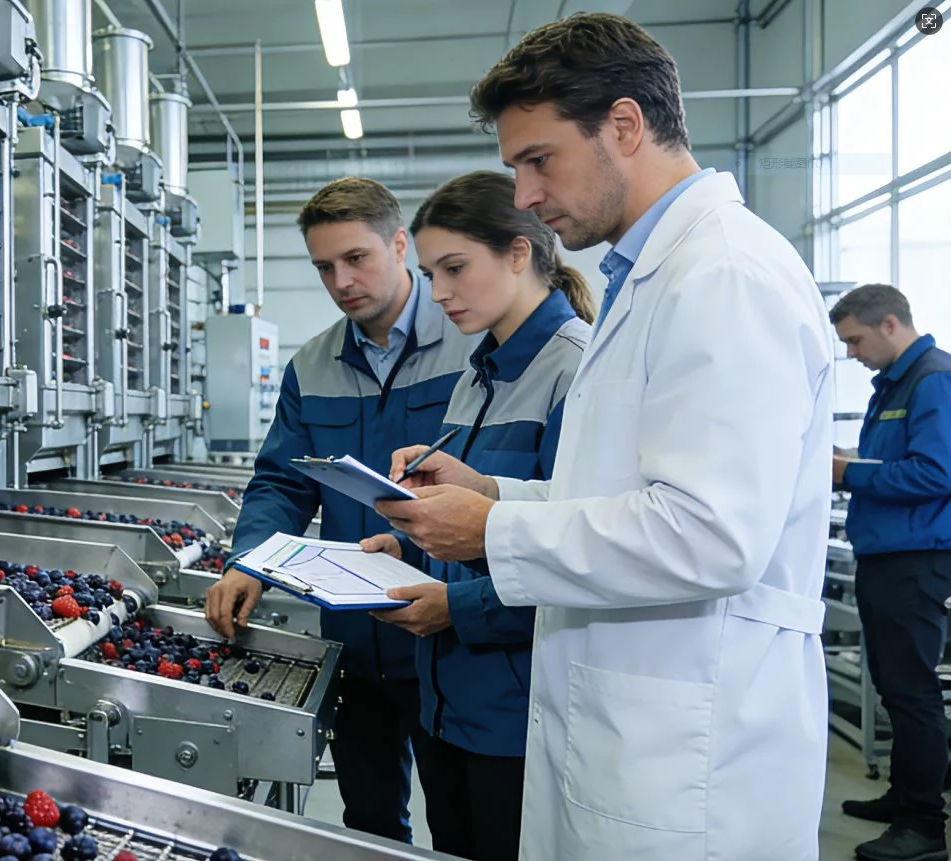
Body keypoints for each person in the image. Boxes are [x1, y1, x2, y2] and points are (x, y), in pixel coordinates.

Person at [373, 13, 833, 860]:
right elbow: (630, 495)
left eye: (538, 159)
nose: (524, 197)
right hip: (636, 731)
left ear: (624, 124)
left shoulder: (724, 274)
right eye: (514, 168)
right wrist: (494, 493)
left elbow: (711, 532)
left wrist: (493, 531)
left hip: (694, 756)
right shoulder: (651, 277)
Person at [203, 176, 479, 844]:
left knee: (463, 824)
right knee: (368, 823)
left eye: (356, 258)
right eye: (324, 266)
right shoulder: (312, 364)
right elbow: (281, 482)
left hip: (447, 632)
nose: (341, 280)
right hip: (353, 640)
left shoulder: (471, 346)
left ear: (398, 244)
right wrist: (251, 562)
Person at [360, 170, 593, 861]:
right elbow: (487, 527)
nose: (437, 293)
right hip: (447, 703)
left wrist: (454, 607)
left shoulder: (573, 370)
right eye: (429, 273)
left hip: (520, 712)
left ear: (519, 252)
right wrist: (414, 552)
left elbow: (586, 554)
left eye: (454, 268)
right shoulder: (476, 373)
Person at [830, 284, 951, 861]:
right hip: (886, 556)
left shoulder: (933, 380)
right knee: (895, 687)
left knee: (913, 692)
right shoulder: (896, 385)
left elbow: (935, 474)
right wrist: (844, 462)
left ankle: (924, 826)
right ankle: (905, 795)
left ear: (889, 325)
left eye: (855, 340)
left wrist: (846, 475)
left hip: (916, 558)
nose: (852, 354)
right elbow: (894, 464)